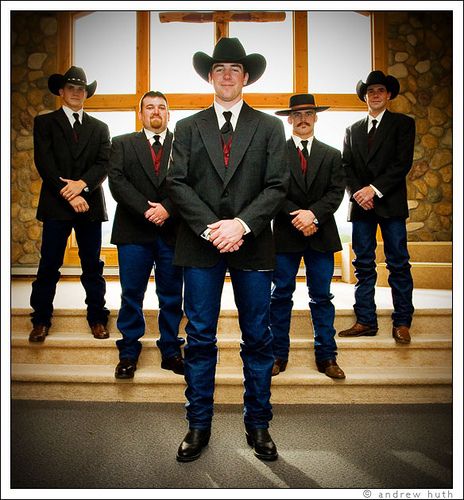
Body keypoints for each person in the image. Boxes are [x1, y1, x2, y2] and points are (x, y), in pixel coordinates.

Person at [167, 37, 289, 462]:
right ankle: (197, 424)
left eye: (235, 69)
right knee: (199, 338)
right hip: (200, 247)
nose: (226, 75)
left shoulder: (271, 127)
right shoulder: (187, 126)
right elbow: (176, 183)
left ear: (246, 77)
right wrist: (211, 228)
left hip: (252, 245)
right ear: (210, 76)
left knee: (258, 338)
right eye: (219, 68)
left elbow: (278, 185)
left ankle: (259, 424)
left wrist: (240, 225)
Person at [29, 66, 110, 343]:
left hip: (89, 205)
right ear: (61, 92)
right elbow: (44, 162)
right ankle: (40, 319)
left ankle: (97, 318)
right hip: (56, 203)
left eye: (81, 89)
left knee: (92, 265)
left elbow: (103, 164)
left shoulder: (100, 128)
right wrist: (70, 193)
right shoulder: (45, 123)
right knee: (49, 263)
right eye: (71, 88)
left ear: (86, 94)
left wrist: (82, 186)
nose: (77, 93)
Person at [108, 91, 185, 379]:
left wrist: (167, 209)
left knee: (171, 295)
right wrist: (147, 210)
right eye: (150, 107)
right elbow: (117, 182)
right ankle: (128, 352)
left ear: (169, 114)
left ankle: (171, 350)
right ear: (141, 114)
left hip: (172, 231)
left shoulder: (184, 144)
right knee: (131, 294)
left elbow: (193, 181)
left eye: (161, 107)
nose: (156, 111)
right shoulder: (122, 143)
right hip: (133, 232)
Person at [270, 94, 346, 379]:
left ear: (316, 117)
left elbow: (336, 193)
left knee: (321, 298)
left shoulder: (331, 154)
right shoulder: (276, 153)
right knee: (280, 296)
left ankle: (327, 357)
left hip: (321, 234)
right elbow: (274, 191)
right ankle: (278, 355)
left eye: (308, 113)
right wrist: (298, 217)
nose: (303, 118)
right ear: (289, 119)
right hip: (286, 237)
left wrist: (312, 216)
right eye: (297, 114)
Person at [338, 70, 415, 344]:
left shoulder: (403, 124)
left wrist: (374, 189)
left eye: (380, 90)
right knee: (364, 265)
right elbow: (345, 166)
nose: (375, 95)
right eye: (370, 91)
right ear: (365, 97)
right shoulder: (352, 129)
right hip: (361, 207)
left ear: (389, 95)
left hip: (390, 203)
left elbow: (401, 164)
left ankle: (402, 321)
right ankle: (365, 320)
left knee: (398, 263)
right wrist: (360, 193)